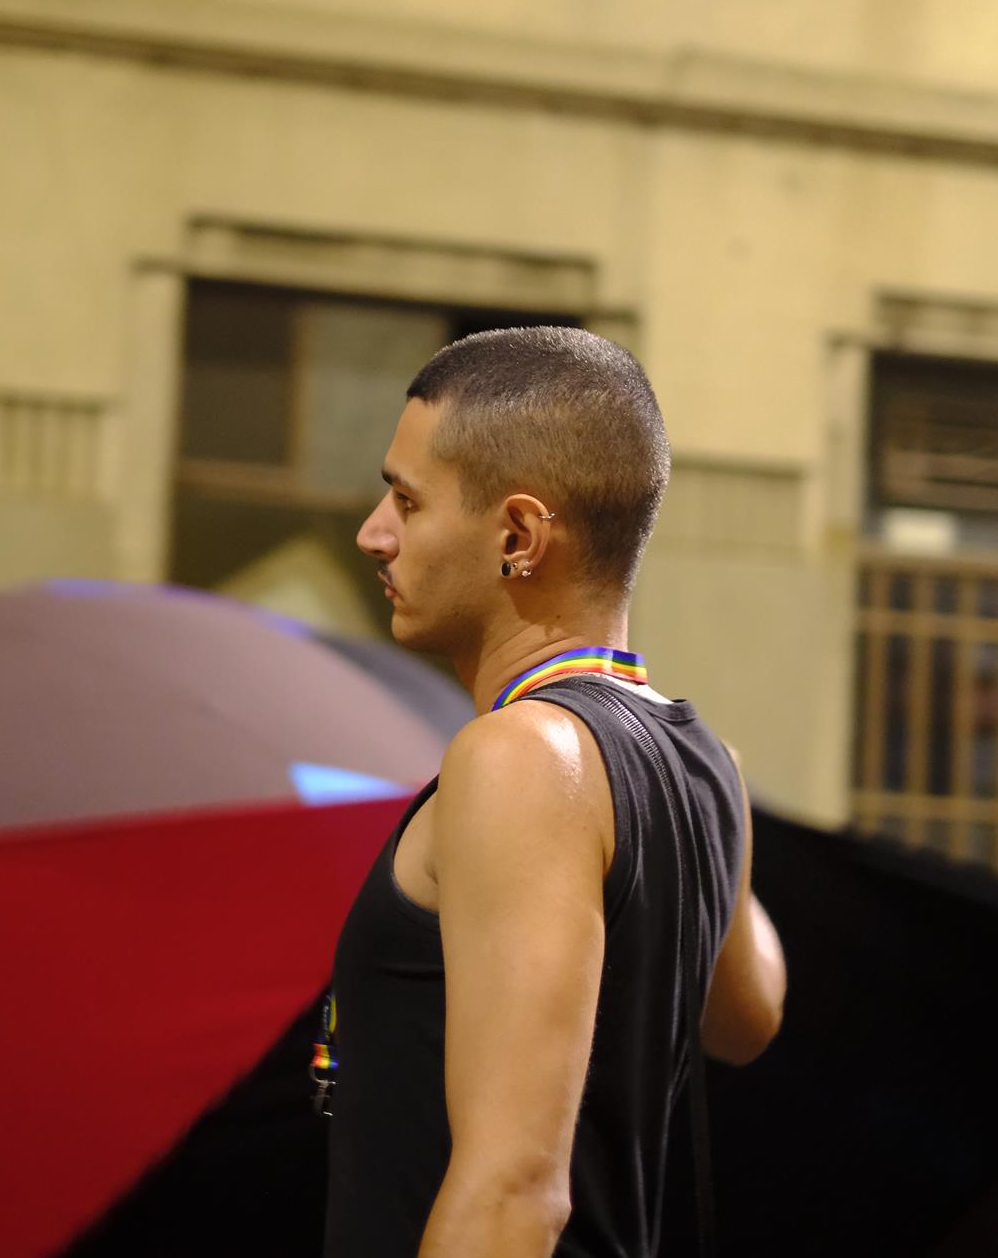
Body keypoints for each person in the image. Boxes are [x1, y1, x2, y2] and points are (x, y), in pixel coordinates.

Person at [322, 327, 786, 1258]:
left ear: (520, 537)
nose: (374, 532)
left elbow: (513, 1195)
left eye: (407, 501)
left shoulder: (524, 758)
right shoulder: (709, 767)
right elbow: (746, 1020)